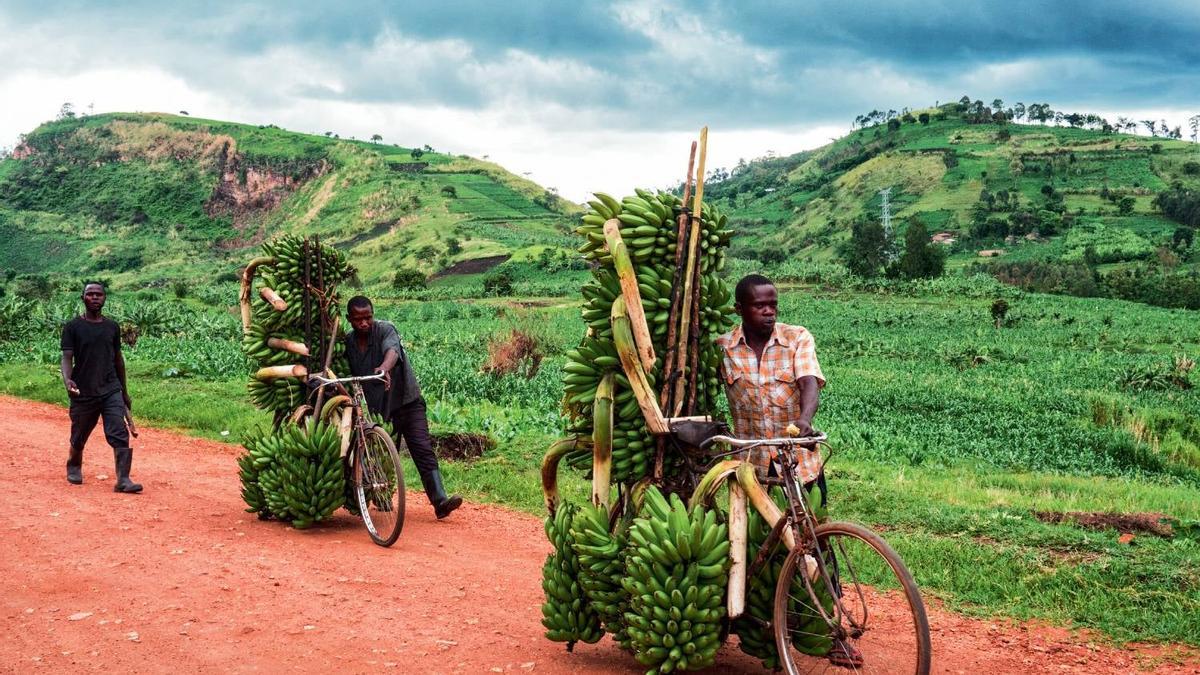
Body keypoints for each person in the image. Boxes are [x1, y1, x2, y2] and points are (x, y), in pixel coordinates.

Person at [716, 274, 860, 667]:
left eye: (773, 304)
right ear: (740, 309)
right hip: (752, 469)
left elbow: (809, 381)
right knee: (750, 547)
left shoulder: (796, 338)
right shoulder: (724, 348)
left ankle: (832, 631)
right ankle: (757, 621)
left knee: (815, 544)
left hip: (799, 463)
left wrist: (806, 419)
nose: (768, 311)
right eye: (760, 305)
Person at [343, 296, 462, 519]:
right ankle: (382, 497)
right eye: (358, 319)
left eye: (368, 317)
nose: (364, 323)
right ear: (349, 319)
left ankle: (440, 501)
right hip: (382, 409)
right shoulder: (348, 343)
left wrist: (384, 368)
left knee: (422, 448)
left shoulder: (386, 330)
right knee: (384, 454)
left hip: (408, 403)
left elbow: (393, 351)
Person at [60, 281, 142, 493]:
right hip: (84, 390)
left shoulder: (112, 327)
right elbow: (67, 357)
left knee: (118, 431)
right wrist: (68, 380)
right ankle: (74, 464)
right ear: (83, 298)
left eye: (99, 294)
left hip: (110, 388)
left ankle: (123, 479)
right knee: (80, 432)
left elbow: (118, 359)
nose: (95, 297)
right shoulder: (72, 327)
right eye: (90, 294)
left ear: (105, 298)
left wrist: (124, 392)